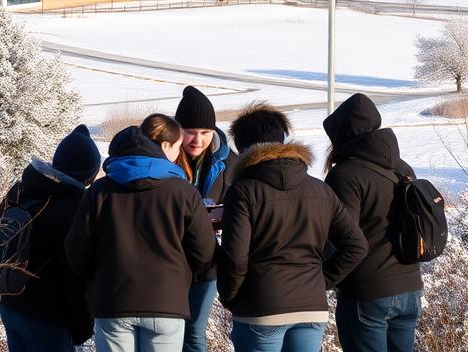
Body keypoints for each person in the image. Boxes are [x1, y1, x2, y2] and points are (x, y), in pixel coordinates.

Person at [217, 104, 367, 352]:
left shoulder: (243, 191)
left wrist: (230, 295)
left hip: (260, 305)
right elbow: (356, 245)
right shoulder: (320, 190)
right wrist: (321, 280)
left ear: (243, 147)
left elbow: (235, 257)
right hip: (311, 307)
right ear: (282, 139)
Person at [65, 122, 216, 352]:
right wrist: (180, 276)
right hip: (167, 302)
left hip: (112, 301)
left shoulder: (99, 191)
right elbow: (205, 252)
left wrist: (99, 278)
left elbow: (76, 249)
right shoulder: (184, 192)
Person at [323, 93, 425, 352]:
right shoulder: (403, 168)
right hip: (410, 287)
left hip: (367, 291)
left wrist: (324, 280)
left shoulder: (344, 175)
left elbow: (341, 237)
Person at [0, 124, 102, 351]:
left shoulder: (21, 191)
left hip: (11, 305)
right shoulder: (75, 208)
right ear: (90, 173)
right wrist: (82, 326)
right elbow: (75, 275)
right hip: (50, 318)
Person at [174, 85, 239, 352]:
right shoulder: (163, 159)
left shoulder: (229, 163)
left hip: (208, 259)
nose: (197, 140)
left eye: (204, 132)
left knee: (194, 334)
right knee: (169, 332)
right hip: (171, 259)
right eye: (190, 132)